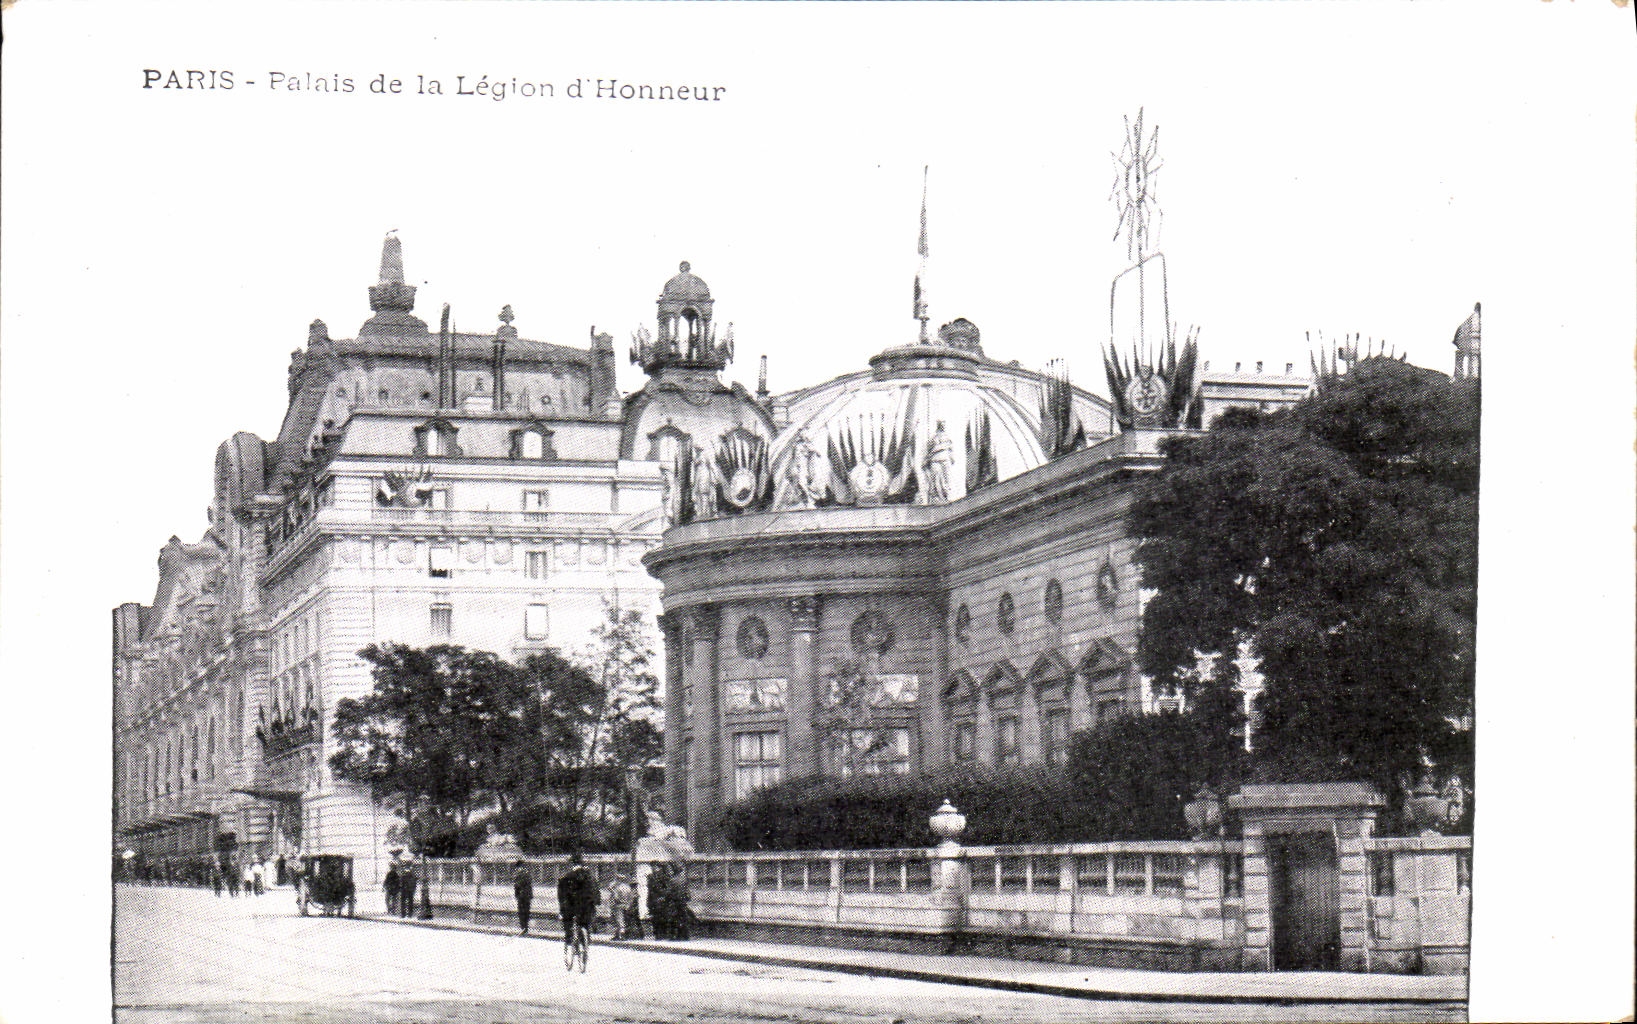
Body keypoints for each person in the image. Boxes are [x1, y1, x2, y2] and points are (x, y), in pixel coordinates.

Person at [556, 853, 600, 958]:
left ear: (571, 864)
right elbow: (596, 892)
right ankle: (585, 942)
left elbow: (562, 896)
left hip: (573, 907)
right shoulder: (591, 876)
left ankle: (569, 940)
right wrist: (595, 903)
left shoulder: (567, 877)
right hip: (587, 907)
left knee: (568, 923)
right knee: (585, 924)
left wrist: (562, 910)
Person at [608, 874, 635, 940]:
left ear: (618, 879)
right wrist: (628, 904)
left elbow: (616, 897)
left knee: (619, 921)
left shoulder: (617, 888)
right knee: (624, 920)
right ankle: (618, 935)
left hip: (618, 905)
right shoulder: (627, 887)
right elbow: (631, 897)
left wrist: (612, 890)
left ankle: (621, 935)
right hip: (626, 905)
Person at [512, 859, 533, 936]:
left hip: (521, 896)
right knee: (527, 912)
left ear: (518, 867)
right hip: (528, 896)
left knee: (521, 912)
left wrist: (516, 895)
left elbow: (517, 886)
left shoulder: (519, 874)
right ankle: (525, 928)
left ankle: (523, 928)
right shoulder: (528, 873)